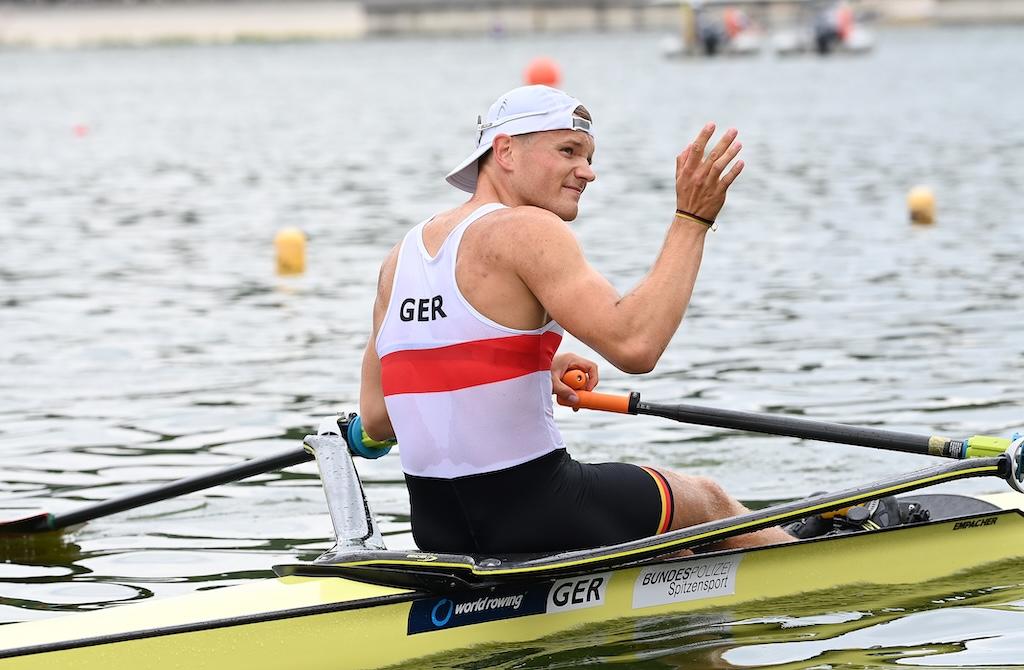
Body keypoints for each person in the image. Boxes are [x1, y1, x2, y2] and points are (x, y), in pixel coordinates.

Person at [358, 85, 792, 554]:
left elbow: (378, 419)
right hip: (540, 510)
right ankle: (811, 564)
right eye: (568, 151)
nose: (588, 171)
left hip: (439, 529)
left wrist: (524, 369)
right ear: (505, 151)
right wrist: (693, 218)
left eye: (588, 156)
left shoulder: (399, 258)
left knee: (671, 543)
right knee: (707, 500)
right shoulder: (526, 227)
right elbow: (636, 345)